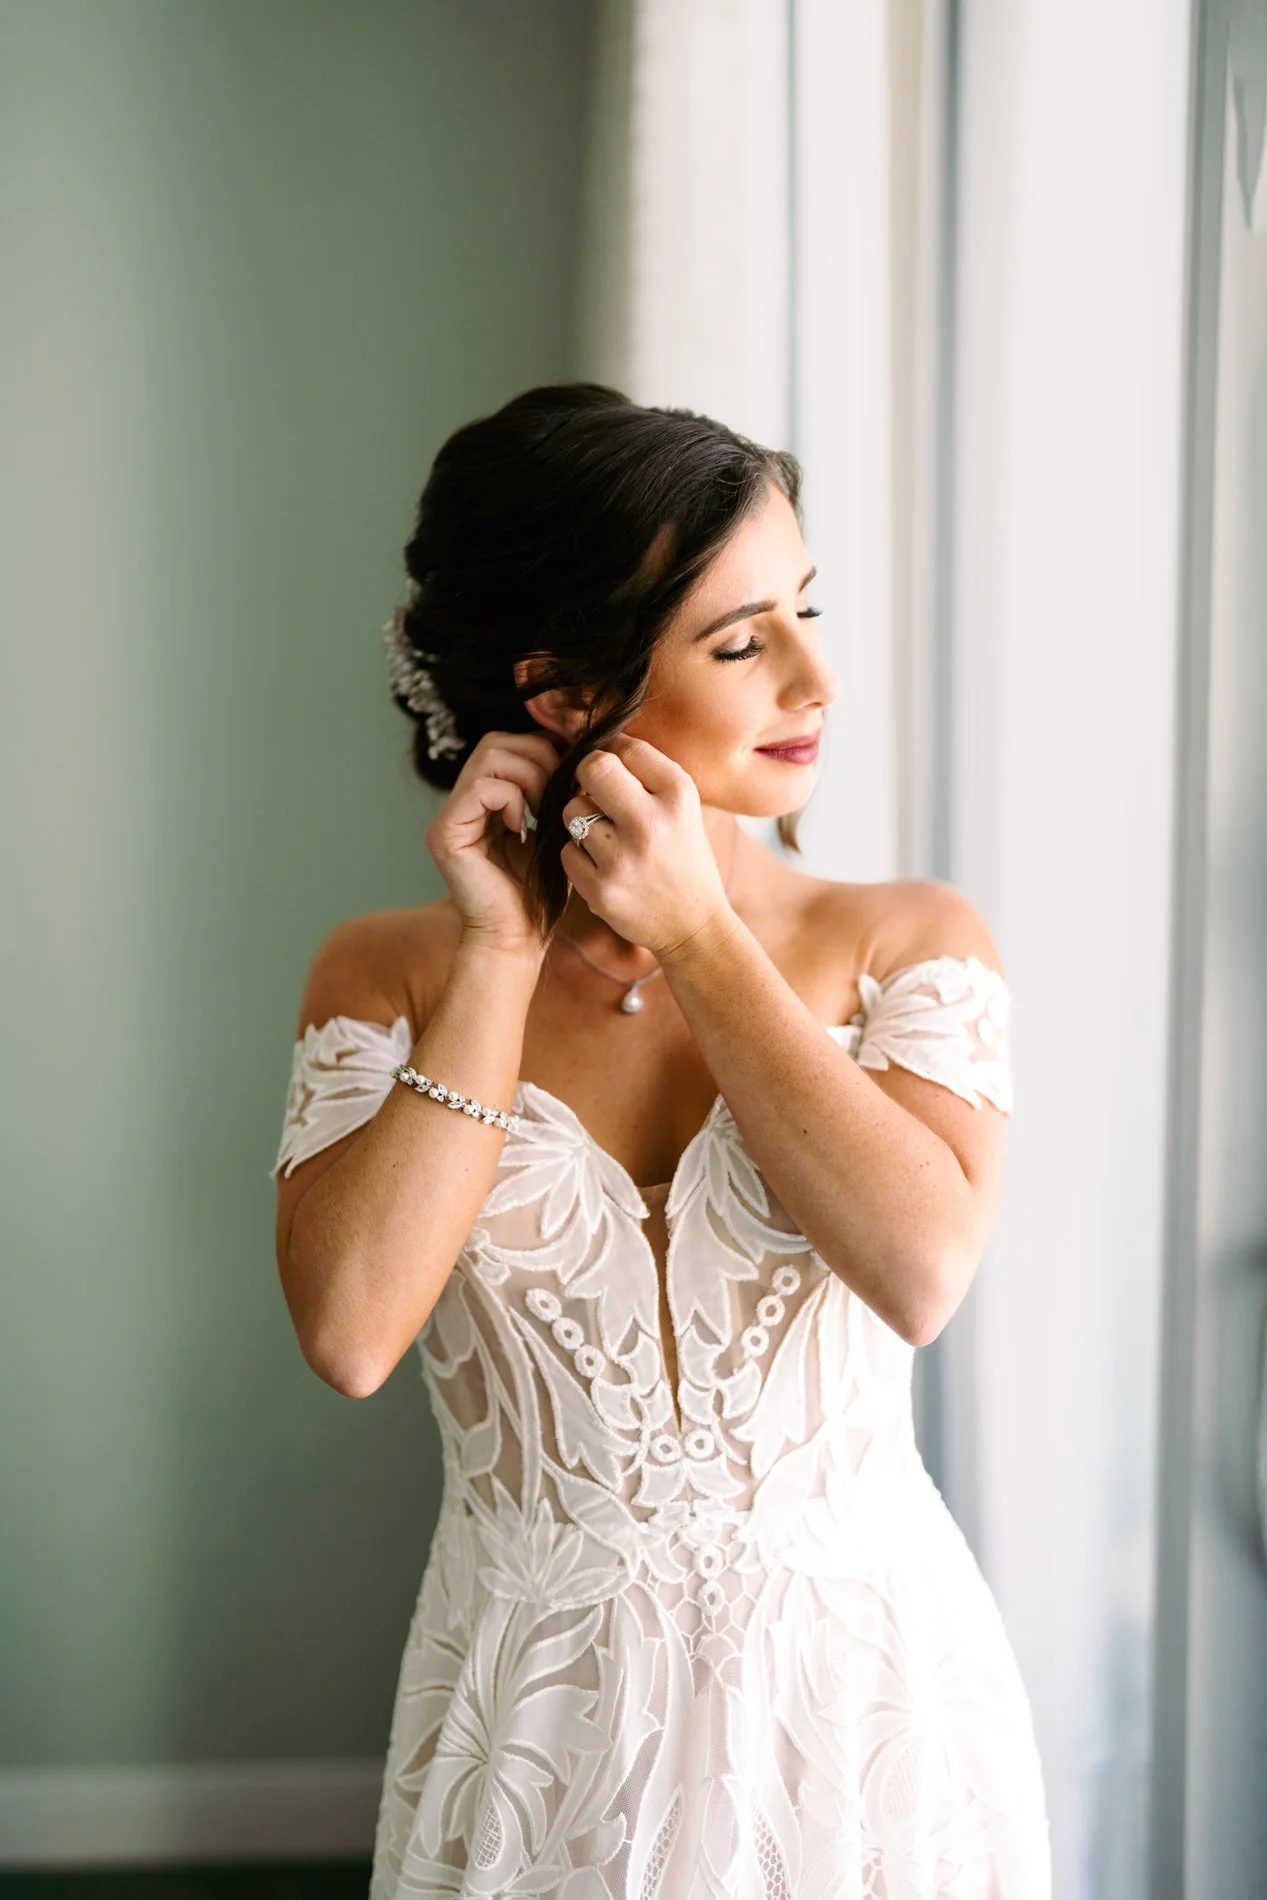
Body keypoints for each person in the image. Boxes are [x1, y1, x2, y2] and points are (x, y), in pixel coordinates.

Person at [270, 383, 1051, 1899]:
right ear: (563, 692)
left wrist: (700, 934)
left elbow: (916, 1271)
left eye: (804, 612)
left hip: (864, 1717)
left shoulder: (905, 943)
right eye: (744, 640)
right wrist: (493, 961)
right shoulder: (388, 976)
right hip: (540, 1723)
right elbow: (354, 1334)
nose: (816, 677)